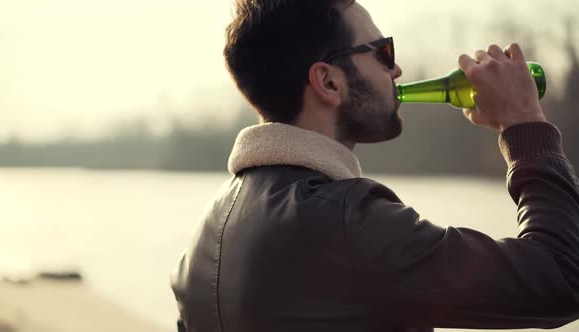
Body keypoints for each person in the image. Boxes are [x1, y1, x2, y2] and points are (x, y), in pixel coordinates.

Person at [170, 0, 579, 331]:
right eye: (383, 52)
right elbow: (562, 277)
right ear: (328, 82)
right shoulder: (346, 223)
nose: (397, 69)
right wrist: (524, 124)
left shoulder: (207, 233)